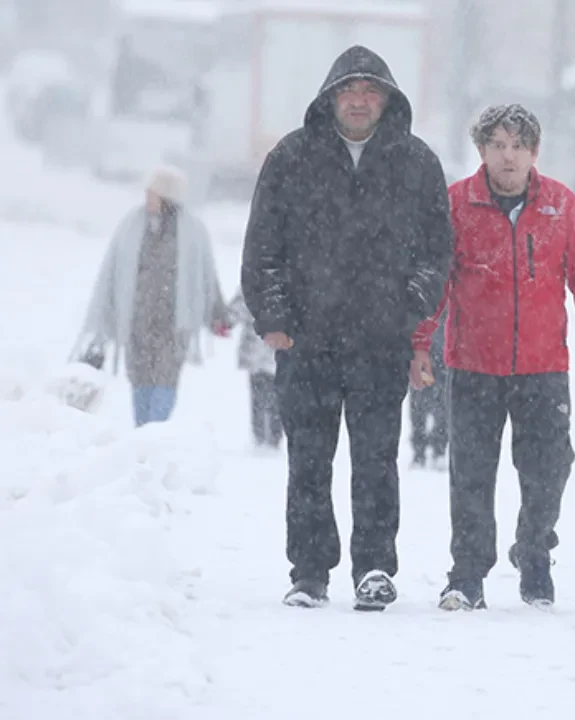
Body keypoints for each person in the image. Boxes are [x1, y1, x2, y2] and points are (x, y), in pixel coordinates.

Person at [240, 45, 453, 611]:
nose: (359, 101)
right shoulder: (292, 158)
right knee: (309, 457)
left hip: (379, 343)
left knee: (377, 459)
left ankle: (376, 566)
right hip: (306, 340)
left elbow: (437, 253)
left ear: (387, 99)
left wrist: (409, 308)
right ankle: (309, 571)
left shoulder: (416, 163)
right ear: (330, 97)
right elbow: (263, 247)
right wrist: (276, 318)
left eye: (371, 91)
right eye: (349, 90)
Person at [411, 104, 575, 611]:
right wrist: (420, 343)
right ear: (481, 150)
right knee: (471, 473)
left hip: (543, 365)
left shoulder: (561, 207)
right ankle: (467, 574)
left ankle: (533, 552)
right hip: (472, 364)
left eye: (518, 146)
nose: (508, 157)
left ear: (534, 153)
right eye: (498, 146)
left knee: (549, 467)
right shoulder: (457, 205)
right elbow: (433, 279)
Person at [73, 164, 233, 427]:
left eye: (153, 192)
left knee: (165, 378)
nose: (147, 197)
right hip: (137, 321)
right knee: (140, 377)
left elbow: (206, 276)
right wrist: (106, 316)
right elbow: (112, 273)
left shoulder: (192, 232)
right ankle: (142, 429)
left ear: (168, 198)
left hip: (174, 324)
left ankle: (155, 429)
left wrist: (217, 314)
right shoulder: (131, 227)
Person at [229, 288, 283, 450]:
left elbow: (238, 308)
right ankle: (271, 435)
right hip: (275, 349)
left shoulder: (253, 278)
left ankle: (262, 434)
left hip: (258, 350)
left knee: (260, 394)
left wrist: (226, 320)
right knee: (276, 395)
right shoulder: (289, 276)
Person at [408, 315, 448, 469]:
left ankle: (437, 448)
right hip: (427, 349)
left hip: (440, 352)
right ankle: (421, 450)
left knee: (439, 405)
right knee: (420, 404)